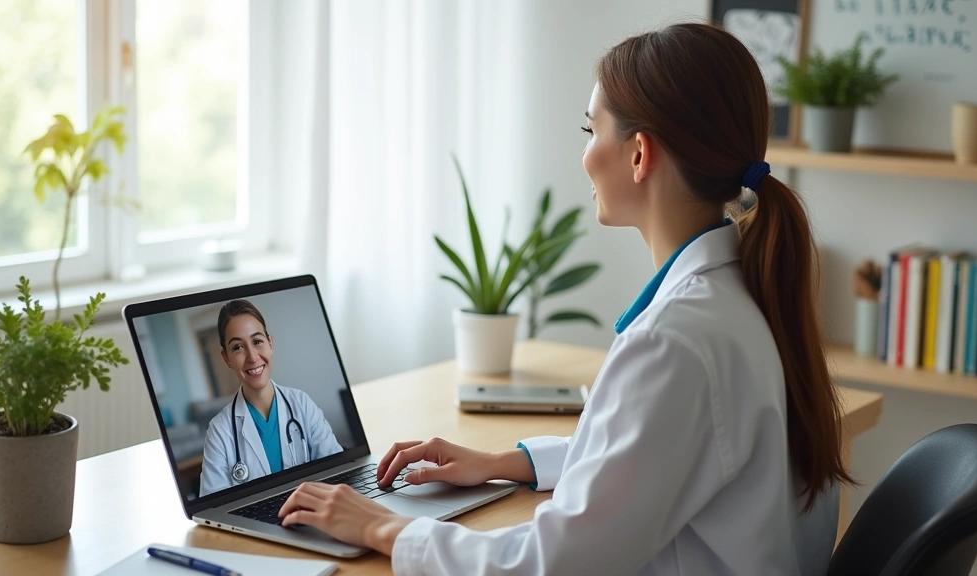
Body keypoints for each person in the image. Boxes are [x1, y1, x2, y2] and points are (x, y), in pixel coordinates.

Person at [275, 22, 851, 575]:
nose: (584, 155)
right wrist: (507, 463)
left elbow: (553, 565)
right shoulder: (738, 295)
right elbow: (649, 457)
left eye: (590, 131)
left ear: (639, 155)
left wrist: (382, 528)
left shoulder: (675, 341)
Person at [200, 300, 344, 496]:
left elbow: (338, 472)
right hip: (252, 525)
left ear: (270, 342)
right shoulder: (219, 432)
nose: (252, 357)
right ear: (226, 358)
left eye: (257, 341)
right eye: (237, 347)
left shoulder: (302, 404)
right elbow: (214, 506)